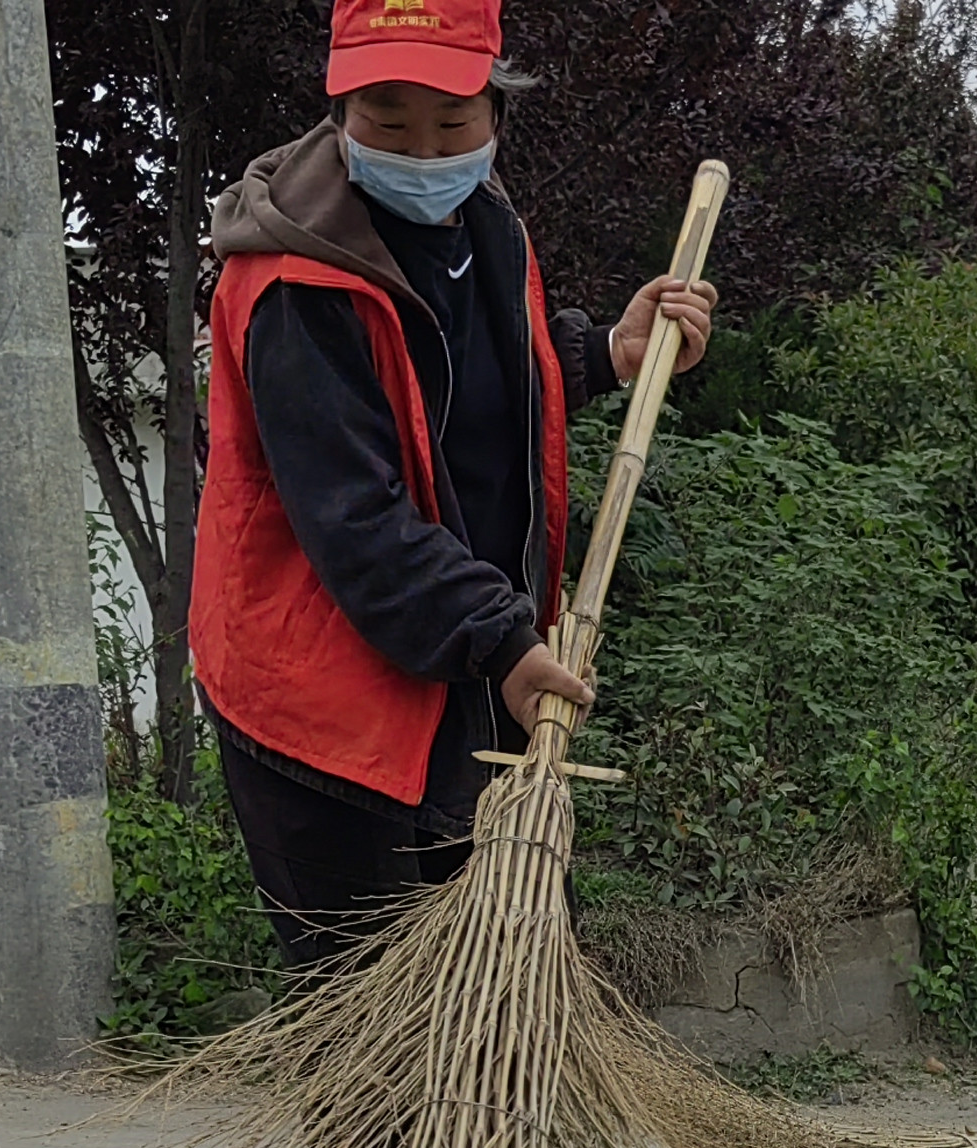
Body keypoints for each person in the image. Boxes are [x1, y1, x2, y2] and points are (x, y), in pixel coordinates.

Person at [190, 0, 715, 973]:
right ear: (338, 108)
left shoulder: (487, 223)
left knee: (500, 1001)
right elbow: (358, 518)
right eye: (390, 120)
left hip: (462, 674)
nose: (425, 150)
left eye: (452, 119)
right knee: (373, 1032)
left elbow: (468, 396)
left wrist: (605, 353)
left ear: (495, 110)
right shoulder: (292, 283)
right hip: (327, 711)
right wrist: (505, 641)